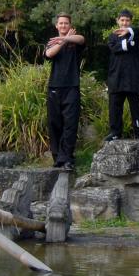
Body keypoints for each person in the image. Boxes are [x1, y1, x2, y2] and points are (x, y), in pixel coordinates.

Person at [45, 13, 85, 171]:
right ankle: (58, 158)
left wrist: (67, 39)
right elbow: (49, 54)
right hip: (54, 87)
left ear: (70, 25)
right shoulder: (52, 42)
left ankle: (67, 158)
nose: (63, 25)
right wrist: (62, 41)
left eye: (66, 23)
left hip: (72, 87)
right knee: (55, 124)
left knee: (70, 124)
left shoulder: (74, 42)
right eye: (60, 23)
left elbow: (81, 39)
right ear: (56, 25)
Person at [106, 9, 139, 141]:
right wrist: (128, 44)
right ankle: (115, 132)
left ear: (131, 21)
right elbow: (115, 48)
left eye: (127, 20)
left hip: (132, 76)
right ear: (117, 21)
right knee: (115, 106)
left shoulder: (135, 33)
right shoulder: (112, 36)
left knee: (135, 106)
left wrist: (129, 34)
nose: (124, 23)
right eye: (122, 20)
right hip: (116, 77)